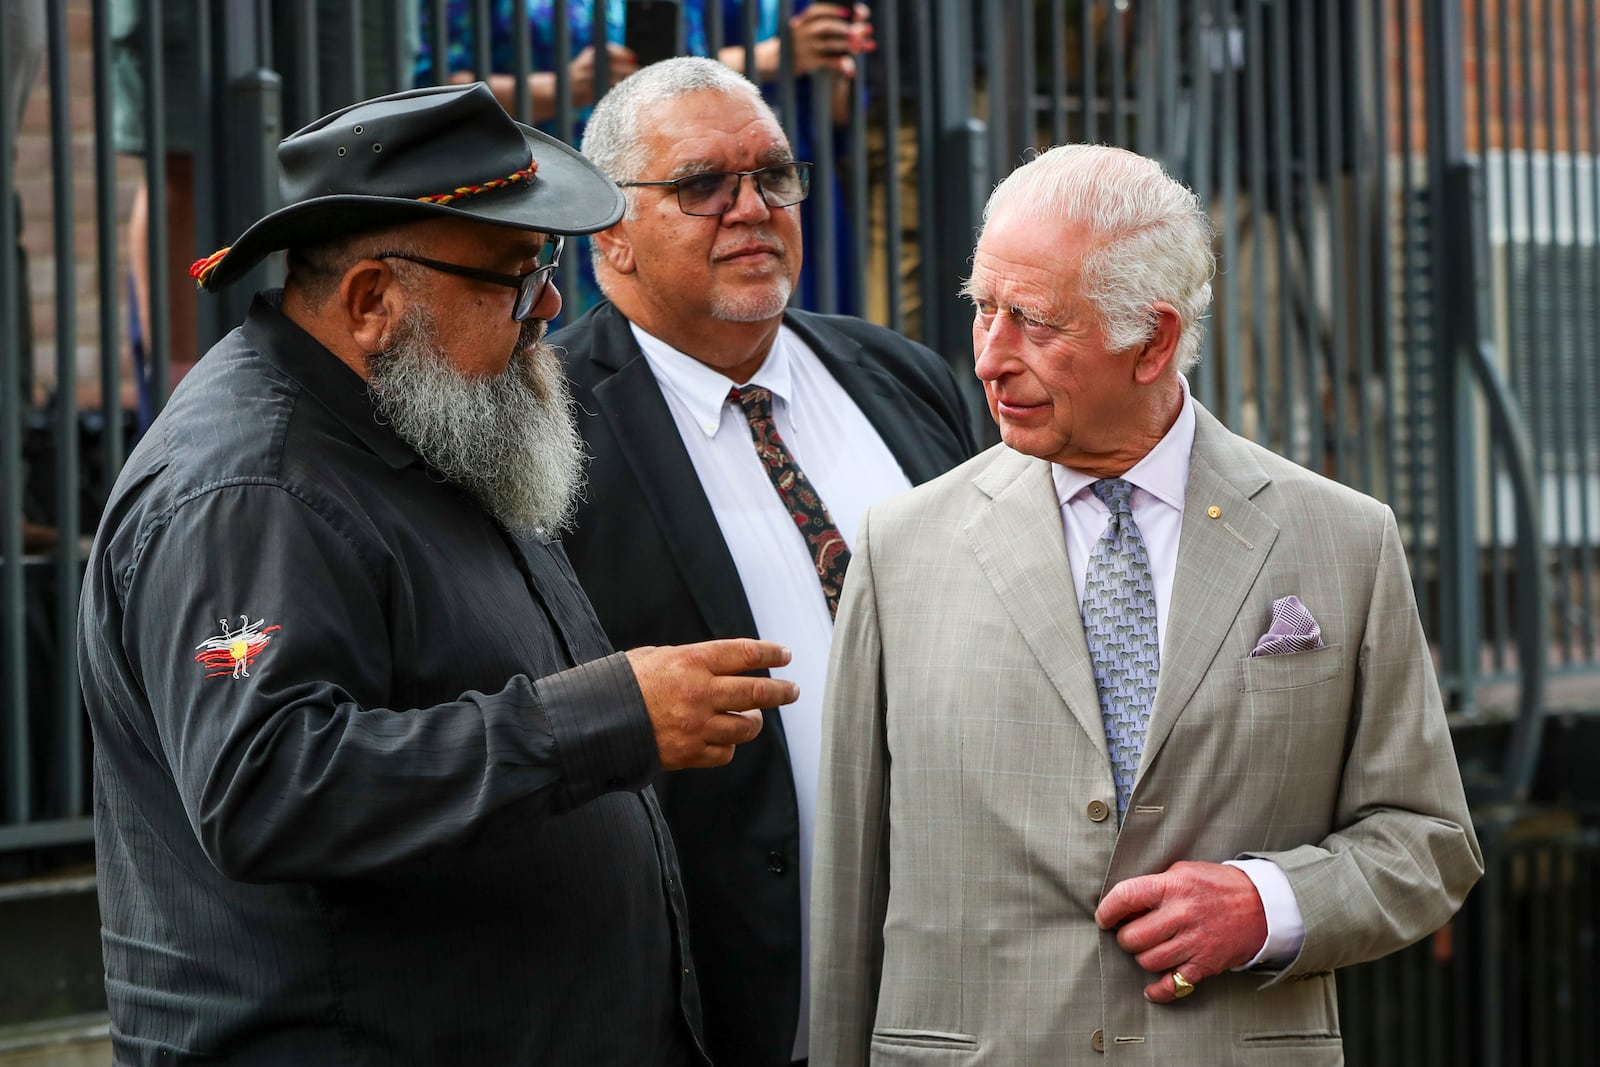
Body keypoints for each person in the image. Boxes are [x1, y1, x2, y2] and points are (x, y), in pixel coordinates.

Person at [78, 82, 800, 1064]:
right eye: (513, 274)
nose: (549, 303)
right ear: (374, 300)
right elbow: (270, 785)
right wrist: (605, 718)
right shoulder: (251, 487)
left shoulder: (423, 412)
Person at [809, 143, 1483, 1063]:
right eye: (983, 308)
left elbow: (1429, 841)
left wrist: (1265, 906)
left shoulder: (1344, 539)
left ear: (1153, 340)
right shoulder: (900, 546)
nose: (990, 358)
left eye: (1035, 323)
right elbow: (850, 882)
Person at [551, 57, 975, 1067]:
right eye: (703, 184)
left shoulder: (898, 376)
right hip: (724, 1000)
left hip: (967, 973)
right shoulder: (547, 429)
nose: (750, 208)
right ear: (608, 225)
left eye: (772, 176)